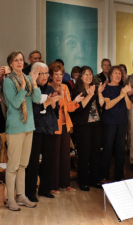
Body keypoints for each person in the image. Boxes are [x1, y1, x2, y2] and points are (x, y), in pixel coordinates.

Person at [3, 51, 42, 211]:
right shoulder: (8, 81)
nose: (19, 62)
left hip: (28, 126)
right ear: (11, 63)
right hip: (15, 127)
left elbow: (37, 99)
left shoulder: (26, 78)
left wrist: (33, 83)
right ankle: (10, 199)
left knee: (23, 165)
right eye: (16, 60)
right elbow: (15, 103)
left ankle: (21, 196)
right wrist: (23, 88)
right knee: (12, 166)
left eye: (21, 59)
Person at [25, 62, 60, 202]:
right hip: (35, 128)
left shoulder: (50, 88)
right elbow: (30, 112)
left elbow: (56, 112)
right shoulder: (30, 90)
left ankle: (45, 189)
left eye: (46, 73)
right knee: (33, 161)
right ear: (34, 74)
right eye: (41, 73)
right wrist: (45, 104)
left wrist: (53, 104)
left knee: (48, 160)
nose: (44, 76)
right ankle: (30, 192)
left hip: (49, 127)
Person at [48, 61, 81, 195]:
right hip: (53, 126)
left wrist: (76, 102)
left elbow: (68, 107)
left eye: (61, 74)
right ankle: (53, 185)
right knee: (54, 157)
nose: (59, 77)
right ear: (51, 75)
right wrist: (60, 96)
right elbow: (57, 105)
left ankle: (65, 184)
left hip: (65, 125)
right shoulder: (49, 88)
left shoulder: (65, 87)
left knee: (65, 156)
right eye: (56, 74)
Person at [71, 66, 105, 191]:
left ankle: (94, 180)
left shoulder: (95, 89)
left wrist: (99, 92)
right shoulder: (76, 90)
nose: (88, 77)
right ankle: (83, 181)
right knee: (84, 154)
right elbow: (79, 108)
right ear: (80, 77)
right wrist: (90, 95)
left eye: (90, 74)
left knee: (95, 153)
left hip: (96, 124)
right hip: (82, 126)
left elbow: (102, 105)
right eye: (85, 74)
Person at [100, 66, 132, 182]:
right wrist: (121, 95)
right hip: (109, 122)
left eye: (120, 73)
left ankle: (120, 175)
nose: (118, 75)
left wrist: (125, 94)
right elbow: (107, 106)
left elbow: (129, 106)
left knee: (120, 150)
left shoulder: (123, 88)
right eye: (115, 73)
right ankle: (104, 175)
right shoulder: (106, 88)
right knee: (107, 149)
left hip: (122, 122)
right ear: (110, 75)